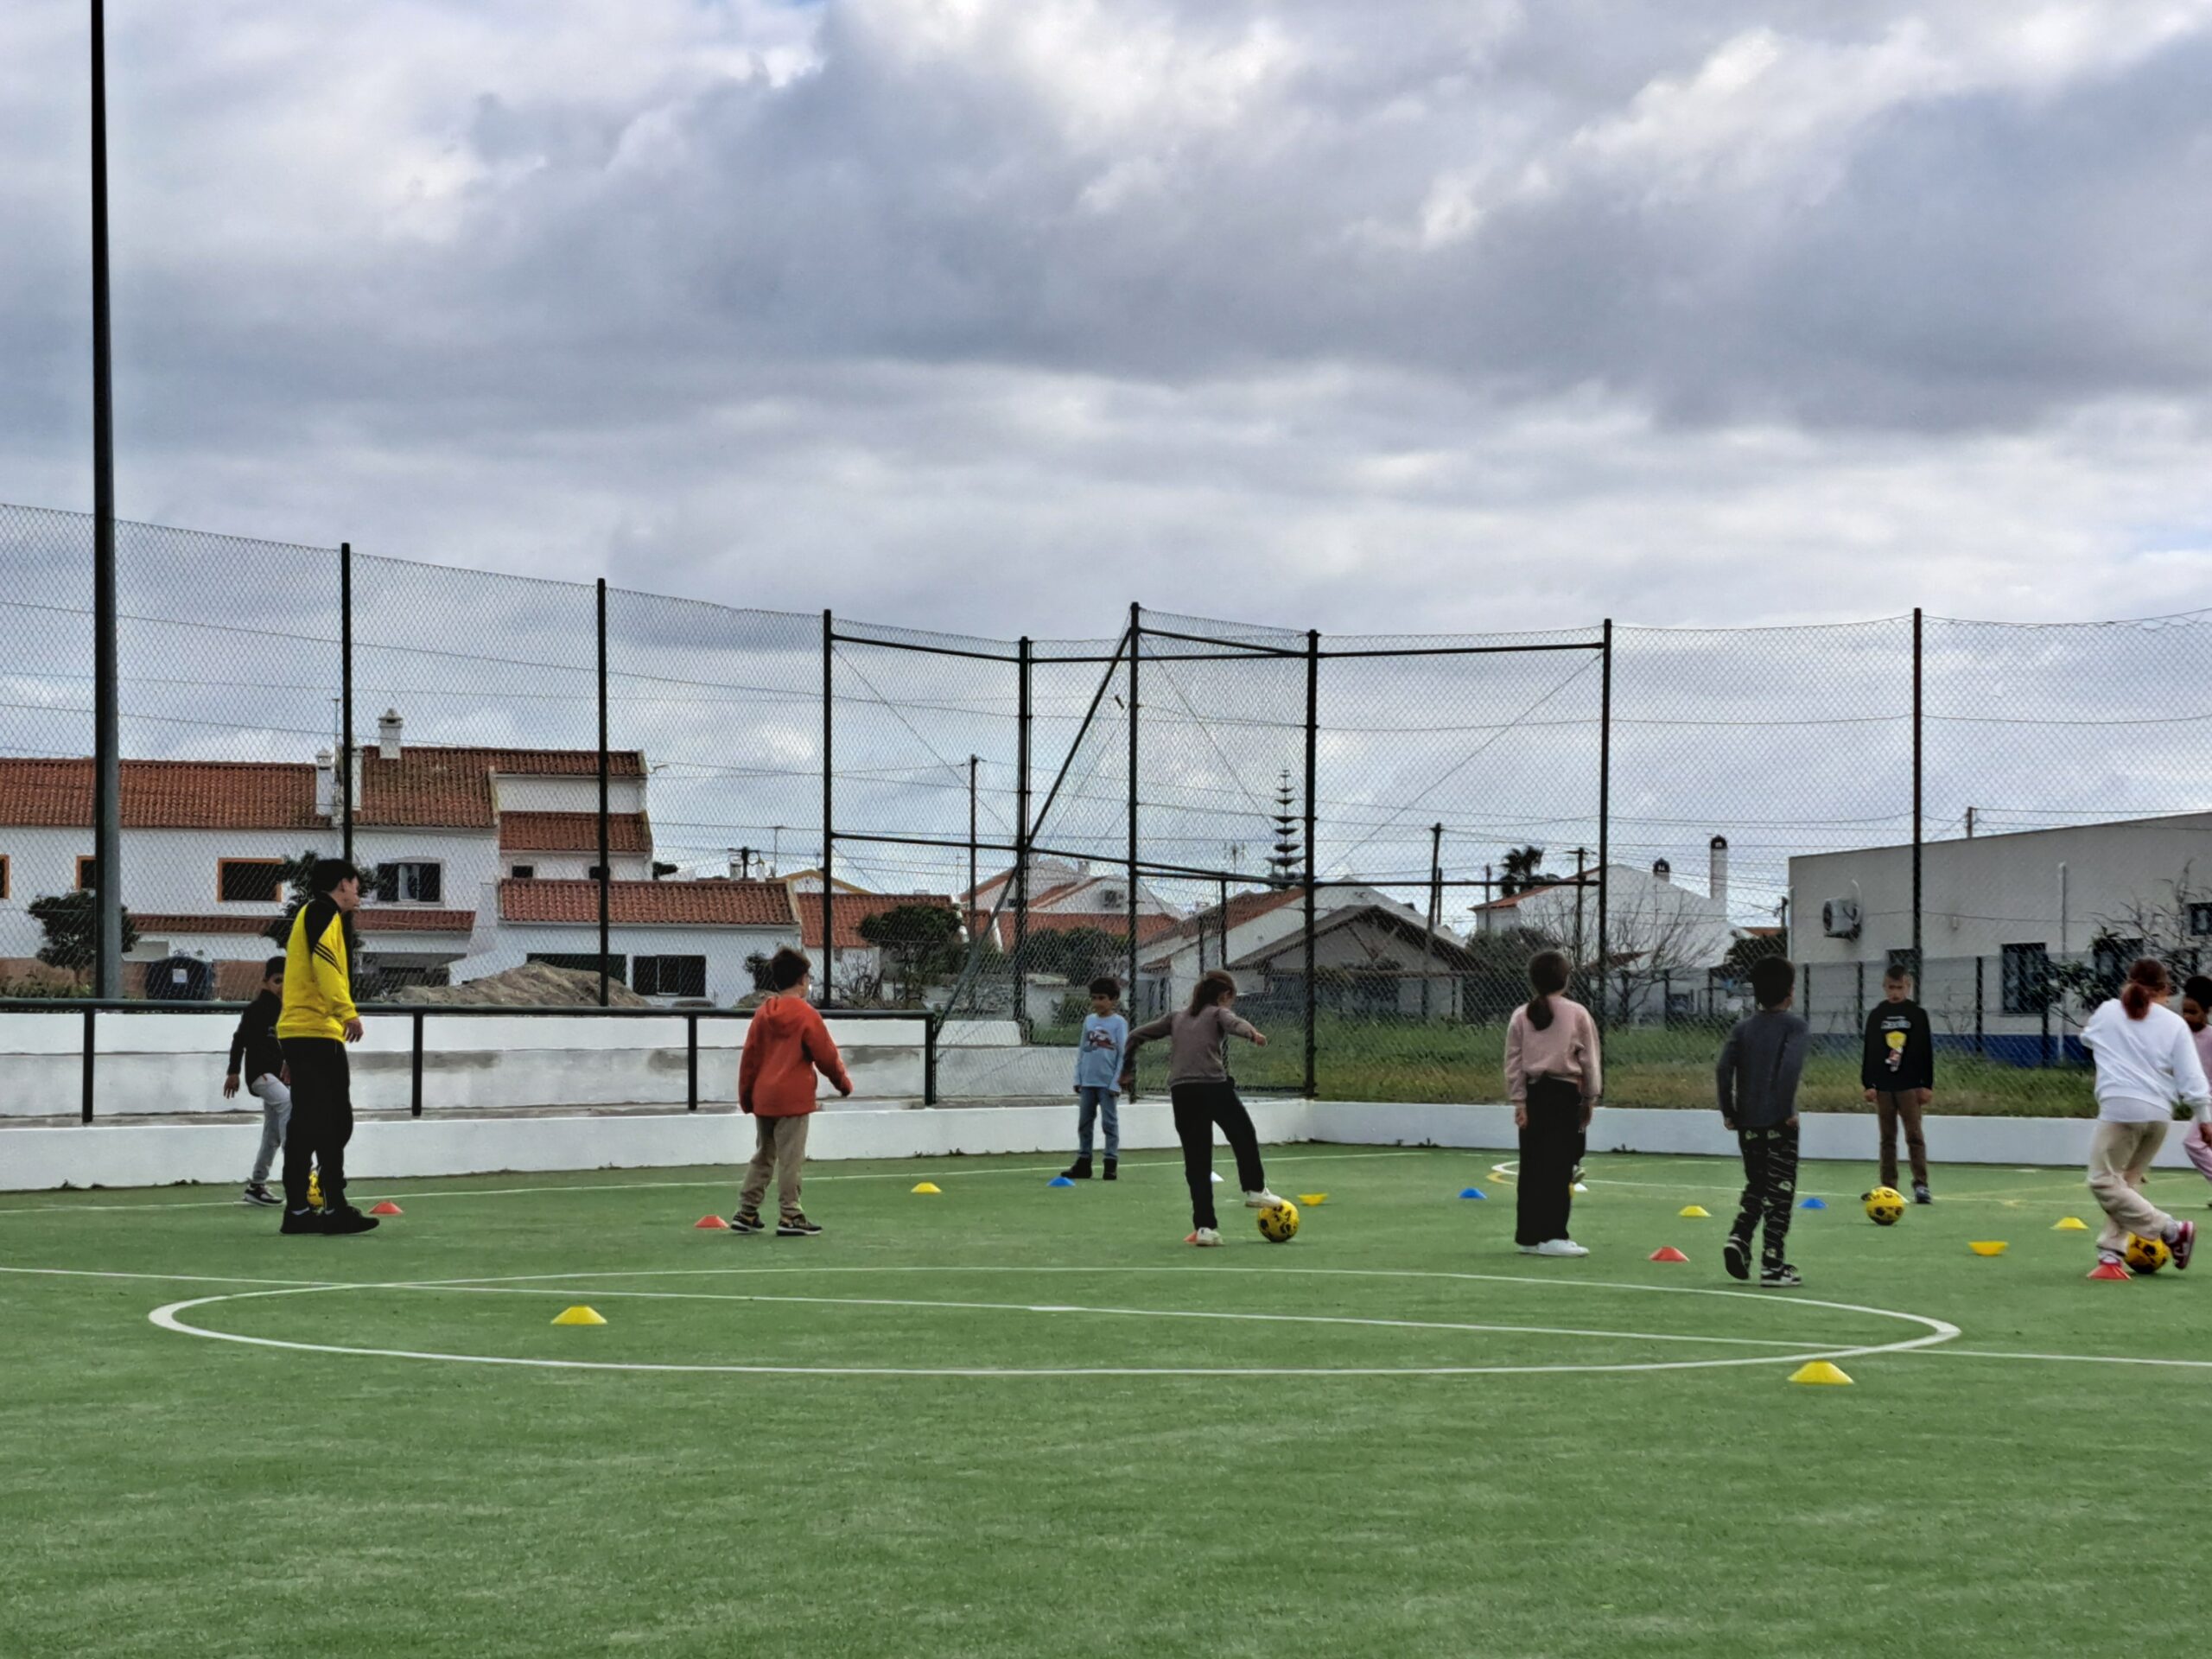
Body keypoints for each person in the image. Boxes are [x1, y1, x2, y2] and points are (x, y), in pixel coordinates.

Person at [1124, 970, 1281, 1246]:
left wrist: (1126, 1068)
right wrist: (1252, 1034)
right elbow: (1234, 1023)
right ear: (1224, 996)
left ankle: (1205, 1228)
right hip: (1212, 1086)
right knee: (1242, 1133)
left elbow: (1137, 1034)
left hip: (1181, 1091)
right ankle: (1255, 1190)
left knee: (1197, 1160)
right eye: (1230, 998)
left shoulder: (1175, 1017)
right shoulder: (1216, 1013)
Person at [2079, 957, 2203, 1273]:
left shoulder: (2108, 1011)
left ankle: (2172, 1230)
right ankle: (2111, 1256)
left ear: (2128, 982)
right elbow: (2192, 1077)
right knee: (2127, 1184)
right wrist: (2205, 1117)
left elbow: (2086, 1038)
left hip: (2121, 1110)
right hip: (2160, 1115)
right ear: (2166, 990)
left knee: (2102, 1181)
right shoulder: (2175, 1024)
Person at [276, 860, 374, 1236]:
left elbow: (298, 979)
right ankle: (334, 1206)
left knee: (306, 1124)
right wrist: (346, 1011)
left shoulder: (310, 915)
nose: (358, 893)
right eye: (356, 885)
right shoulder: (322, 913)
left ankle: (299, 1211)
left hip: (301, 1032)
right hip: (317, 1031)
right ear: (343, 884)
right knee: (334, 1121)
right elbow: (327, 968)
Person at [734, 947, 853, 1236]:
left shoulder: (763, 1014)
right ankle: (790, 1215)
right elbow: (826, 1055)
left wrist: (747, 1097)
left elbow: (749, 1058)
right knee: (791, 1158)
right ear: (802, 980)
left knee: (764, 1153)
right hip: (793, 1098)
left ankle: (747, 1211)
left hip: (764, 1096)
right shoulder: (806, 1015)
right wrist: (842, 1083)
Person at [1716, 956, 1809, 1287]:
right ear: (1790, 992)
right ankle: (1773, 1264)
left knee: (1757, 1184)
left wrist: (1729, 1110)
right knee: (1780, 1192)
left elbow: (1724, 1069)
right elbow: (1789, 1069)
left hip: (1748, 1123)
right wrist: (1787, 1111)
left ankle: (1739, 1237)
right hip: (1778, 1123)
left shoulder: (1742, 1028)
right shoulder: (1794, 1027)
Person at [1503, 950, 1600, 1258]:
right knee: (1559, 1167)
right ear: (1566, 978)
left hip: (1534, 1095)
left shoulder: (1521, 1015)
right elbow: (1589, 1061)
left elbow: (1513, 1062)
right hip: (1564, 1095)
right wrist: (1590, 1097)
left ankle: (1529, 1235)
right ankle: (1554, 1234)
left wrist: (1519, 1101)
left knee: (1532, 1167)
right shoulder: (1577, 1014)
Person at [1860, 966, 1936, 1204]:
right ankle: (1888, 1186)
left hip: (1910, 1085)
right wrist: (1868, 1083)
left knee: (1914, 1134)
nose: (1895, 992)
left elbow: (1925, 1051)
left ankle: (1921, 1185)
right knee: (1887, 1137)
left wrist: (1926, 1085)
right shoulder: (1877, 1015)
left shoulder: (1917, 1014)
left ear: (1908, 987)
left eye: (1900, 987)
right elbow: (1870, 1051)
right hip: (1883, 1085)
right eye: (1891, 987)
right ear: (1884, 987)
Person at [224, 954, 290, 1207]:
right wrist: (233, 1072)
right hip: (260, 1075)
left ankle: (257, 1185)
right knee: (288, 1104)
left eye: (288, 980)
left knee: (271, 1134)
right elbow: (239, 1040)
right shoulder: (257, 1009)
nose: (282, 986)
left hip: (280, 1077)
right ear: (265, 983)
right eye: (277, 981)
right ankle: (296, 1164)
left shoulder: (291, 1011)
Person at [1060, 976, 1128, 1182]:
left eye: (1102, 998)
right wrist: (1078, 1077)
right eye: (1094, 998)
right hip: (1088, 1082)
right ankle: (1084, 1161)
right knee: (1085, 1122)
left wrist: (1117, 1081)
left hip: (1107, 1084)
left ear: (1114, 999)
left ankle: (1110, 1162)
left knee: (1109, 1123)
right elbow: (1082, 1050)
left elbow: (1123, 1054)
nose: (1098, 1002)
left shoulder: (1118, 1023)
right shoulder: (1089, 1021)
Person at [2178, 975, 2212, 1201]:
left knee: (2193, 1142)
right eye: (2185, 1011)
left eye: (2193, 1012)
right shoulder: (2180, 1036)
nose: (2187, 1017)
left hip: (2208, 1100)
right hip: (2202, 1100)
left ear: (2207, 1011)